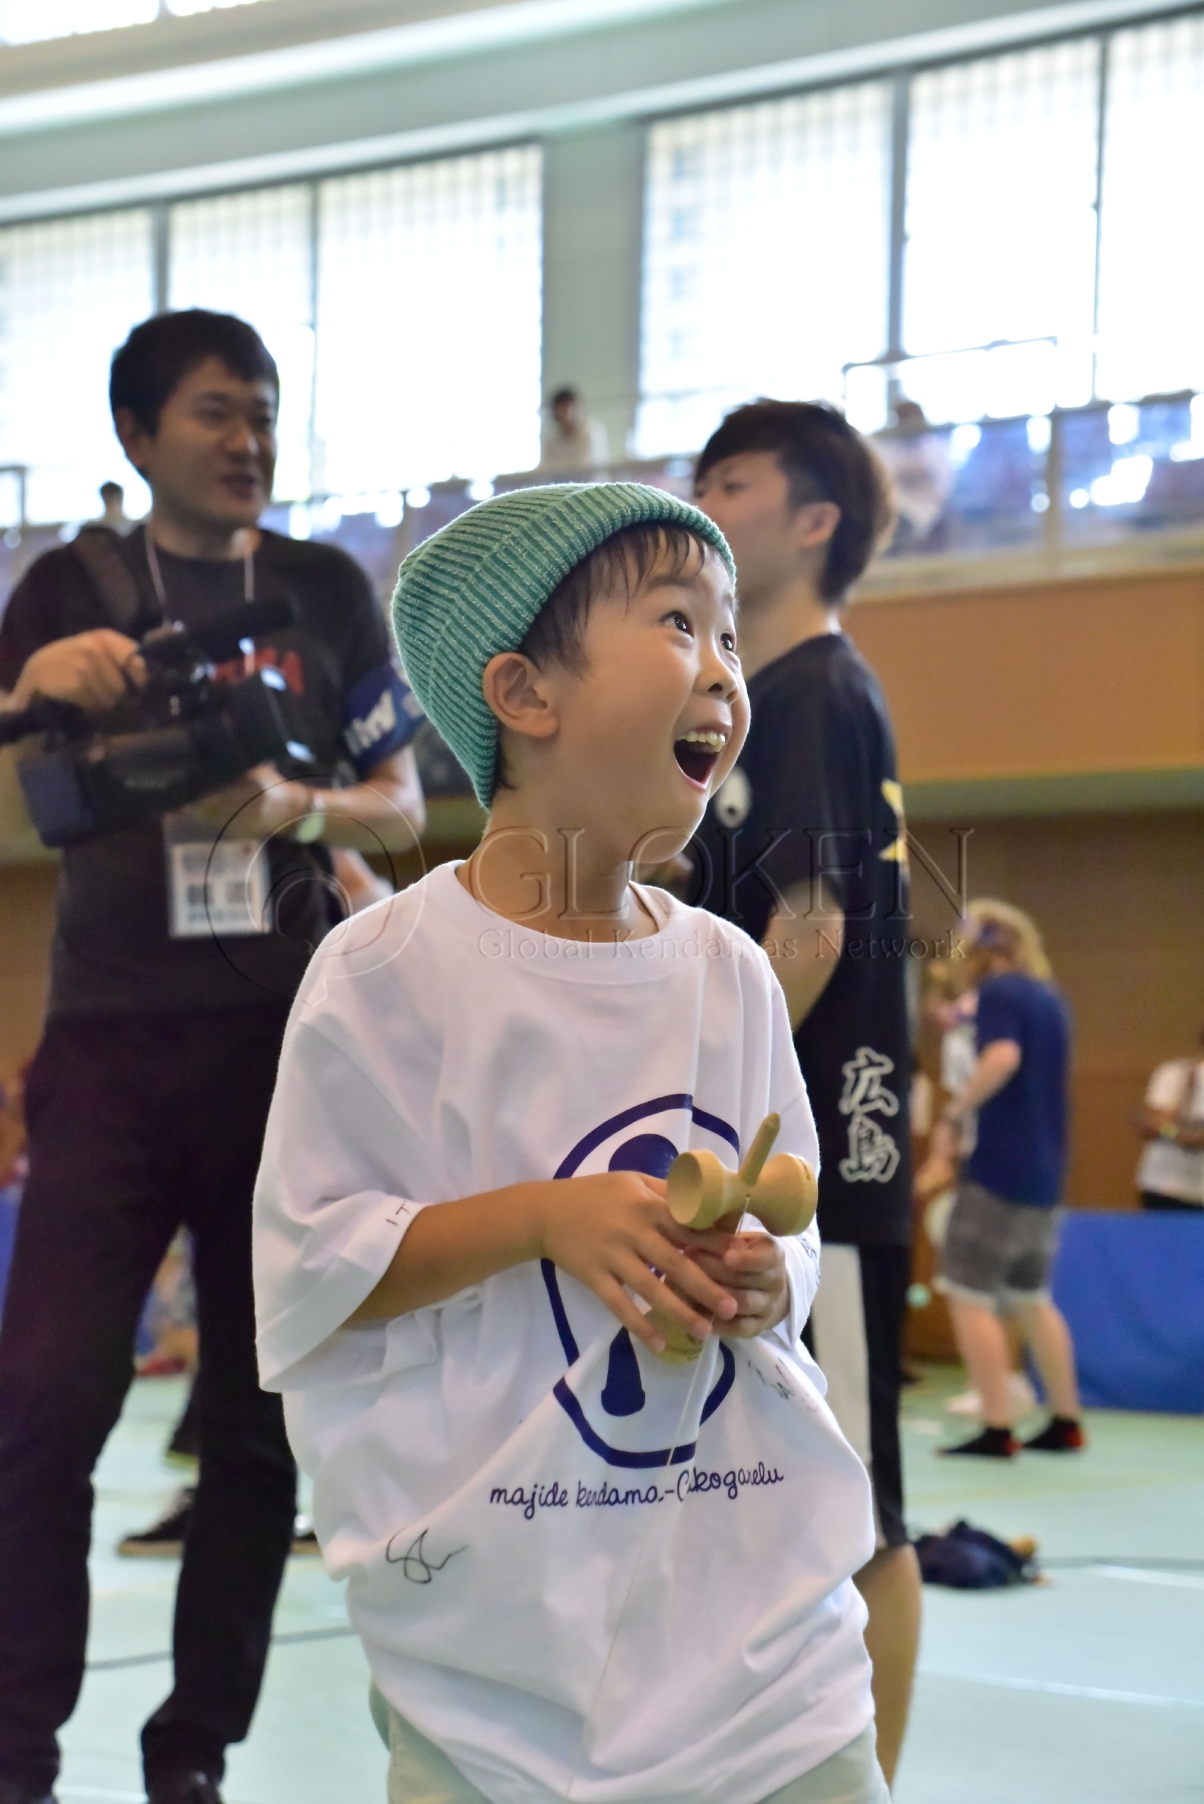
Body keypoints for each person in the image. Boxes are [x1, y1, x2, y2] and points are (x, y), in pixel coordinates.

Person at [254, 481, 891, 1804]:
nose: (724, 668)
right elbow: (311, 1267)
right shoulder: (385, 972)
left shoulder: (728, 973)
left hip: (765, 1658)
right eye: (678, 622)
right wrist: (547, 1218)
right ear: (524, 694)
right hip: (502, 1681)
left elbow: (792, 1228)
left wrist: (764, 1276)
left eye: (729, 633)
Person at [0, 308, 425, 1804]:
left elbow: (403, 803)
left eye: (264, 413)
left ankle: (194, 1754)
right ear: (136, 435)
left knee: (255, 1426)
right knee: (43, 1406)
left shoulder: (323, 589)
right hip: (105, 1046)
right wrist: (31, 683)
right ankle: (15, 1751)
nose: (248, 440)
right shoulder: (67, 585)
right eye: (214, 413)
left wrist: (287, 804)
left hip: (280, 1050)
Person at [690, 400, 919, 1788]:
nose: (702, 498)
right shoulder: (753, 707)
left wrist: (698, 1089)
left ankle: (863, 1779)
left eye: (731, 480)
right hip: (778, 1164)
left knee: (864, 1505)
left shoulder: (819, 691)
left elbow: (815, 926)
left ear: (815, 520)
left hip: (828, 1158)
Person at [930, 900, 1084, 1458]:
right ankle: (1066, 1419)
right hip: (1046, 1173)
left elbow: (1001, 1057)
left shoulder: (998, 994)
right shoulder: (1050, 997)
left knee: (967, 1291)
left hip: (999, 1167)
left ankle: (997, 1425)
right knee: (1030, 1296)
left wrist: (955, 1113)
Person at [1133, 1030, 1204, 1211]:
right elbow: (1156, 1124)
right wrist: (1176, 1132)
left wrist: (1177, 1132)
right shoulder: (1176, 1073)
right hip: (1166, 1189)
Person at [538, 384, 610, 474]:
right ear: (555, 412)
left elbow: (586, 467)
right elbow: (545, 469)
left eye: (570, 407)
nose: (568, 414)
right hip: (561, 481)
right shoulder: (550, 437)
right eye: (563, 409)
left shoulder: (591, 431)